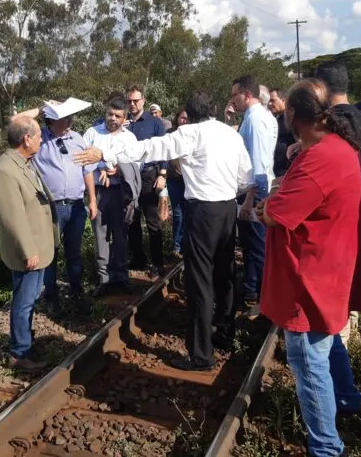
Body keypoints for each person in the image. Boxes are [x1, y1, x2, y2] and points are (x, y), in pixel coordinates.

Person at [74, 91, 253, 371]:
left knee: (200, 282)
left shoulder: (190, 133)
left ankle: (201, 355)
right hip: (227, 209)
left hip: (203, 212)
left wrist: (106, 152)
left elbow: (150, 148)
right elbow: (246, 177)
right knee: (225, 272)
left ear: (189, 116)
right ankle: (225, 333)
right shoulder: (230, 134)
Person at [257, 78, 361, 457]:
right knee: (329, 336)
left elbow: (278, 213)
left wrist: (266, 206)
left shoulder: (320, 157)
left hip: (310, 275)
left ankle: (326, 446)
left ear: (292, 115)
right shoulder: (335, 147)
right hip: (330, 264)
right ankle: (349, 398)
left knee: (308, 360)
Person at [0, 116, 58, 371]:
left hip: (39, 244)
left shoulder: (23, 162)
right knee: (24, 300)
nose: (43, 139)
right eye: (39, 135)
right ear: (26, 139)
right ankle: (19, 353)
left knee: (30, 298)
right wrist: (28, 251)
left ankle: (26, 342)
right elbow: (13, 217)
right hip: (28, 251)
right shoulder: (5, 170)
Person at [314, 60, 361, 347]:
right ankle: (352, 329)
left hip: (339, 208)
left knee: (340, 275)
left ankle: (342, 344)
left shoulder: (335, 120)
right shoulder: (360, 117)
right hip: (359, 201)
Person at [32, 107, 98, 317]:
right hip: (50, 208)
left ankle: (77, 294)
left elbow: (87, 171)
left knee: (74, 254)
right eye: (64, 117)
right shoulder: (38, 137)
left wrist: (93, 200)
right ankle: (52, 299)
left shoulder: (77, 138)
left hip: (77, 206)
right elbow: (14, 121)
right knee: (50, 255)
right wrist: (41, 108)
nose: (70, 121)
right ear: (51, 119)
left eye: (71, 116)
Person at [83, 97, 139, 297]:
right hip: (98, 192)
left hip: (120, 192)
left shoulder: (129, 138)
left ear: (124, 118)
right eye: (110, 114)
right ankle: (104, 278)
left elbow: (136, 164)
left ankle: (121, 276)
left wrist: (116, 169)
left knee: (121, 235)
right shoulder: (92, 133)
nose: (112, 119)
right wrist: (102, 168)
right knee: (101, 236)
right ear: (105, 113)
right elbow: (83, 161)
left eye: (117, 116)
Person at [229, 75, 278, 307]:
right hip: (256, 189)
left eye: (234, 95)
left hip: (255, 191)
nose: (232, 100)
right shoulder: (258, 117)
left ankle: (264, 299)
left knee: (257, 247)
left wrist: (250, 199)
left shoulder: (256, 120)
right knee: (251, 245)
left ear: (247, 95)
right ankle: (252, 292)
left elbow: (257, 164)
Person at [125, 85, 168, 277]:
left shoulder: (154, 123)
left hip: (150, 176)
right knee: (132, 220)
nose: (132, 104)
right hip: (128, 177)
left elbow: (164, 148)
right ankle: (138, 260)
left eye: (136, 100)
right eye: (129, 101)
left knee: (152, 221)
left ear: (143, 100)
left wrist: (163, 174)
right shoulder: (123, 123)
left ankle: (158, 262)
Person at [167, 109, 188, 258]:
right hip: (174, 178)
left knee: (189, 211)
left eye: (187, 118)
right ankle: (177, 245)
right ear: (177, 118)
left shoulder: (194, 134)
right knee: (178, 212)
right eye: (182, 117)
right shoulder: (171, 134)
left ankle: (187, 243)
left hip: (189, 179)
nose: (184, 121)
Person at [267, 88, 296, 178]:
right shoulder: (276, 120)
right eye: (269, 101)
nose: (270, 104)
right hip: (276, 172)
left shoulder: (291, 120)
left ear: (283, 100)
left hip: (287, 172)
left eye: (273, 100)